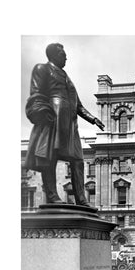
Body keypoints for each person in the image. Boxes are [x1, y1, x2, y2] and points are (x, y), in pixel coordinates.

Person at [24, 43, 105, 208]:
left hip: (70, 122)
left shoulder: (67, 78)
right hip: (54, 118)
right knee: (50, 157)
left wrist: (93, 119)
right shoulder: (42, 68)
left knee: (78, 160)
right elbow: (36, 94)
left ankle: (81, 199)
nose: (66, 57)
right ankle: (53, 196)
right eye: (63, 54)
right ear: (53, 55)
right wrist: (43, 113)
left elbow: (79, 105)